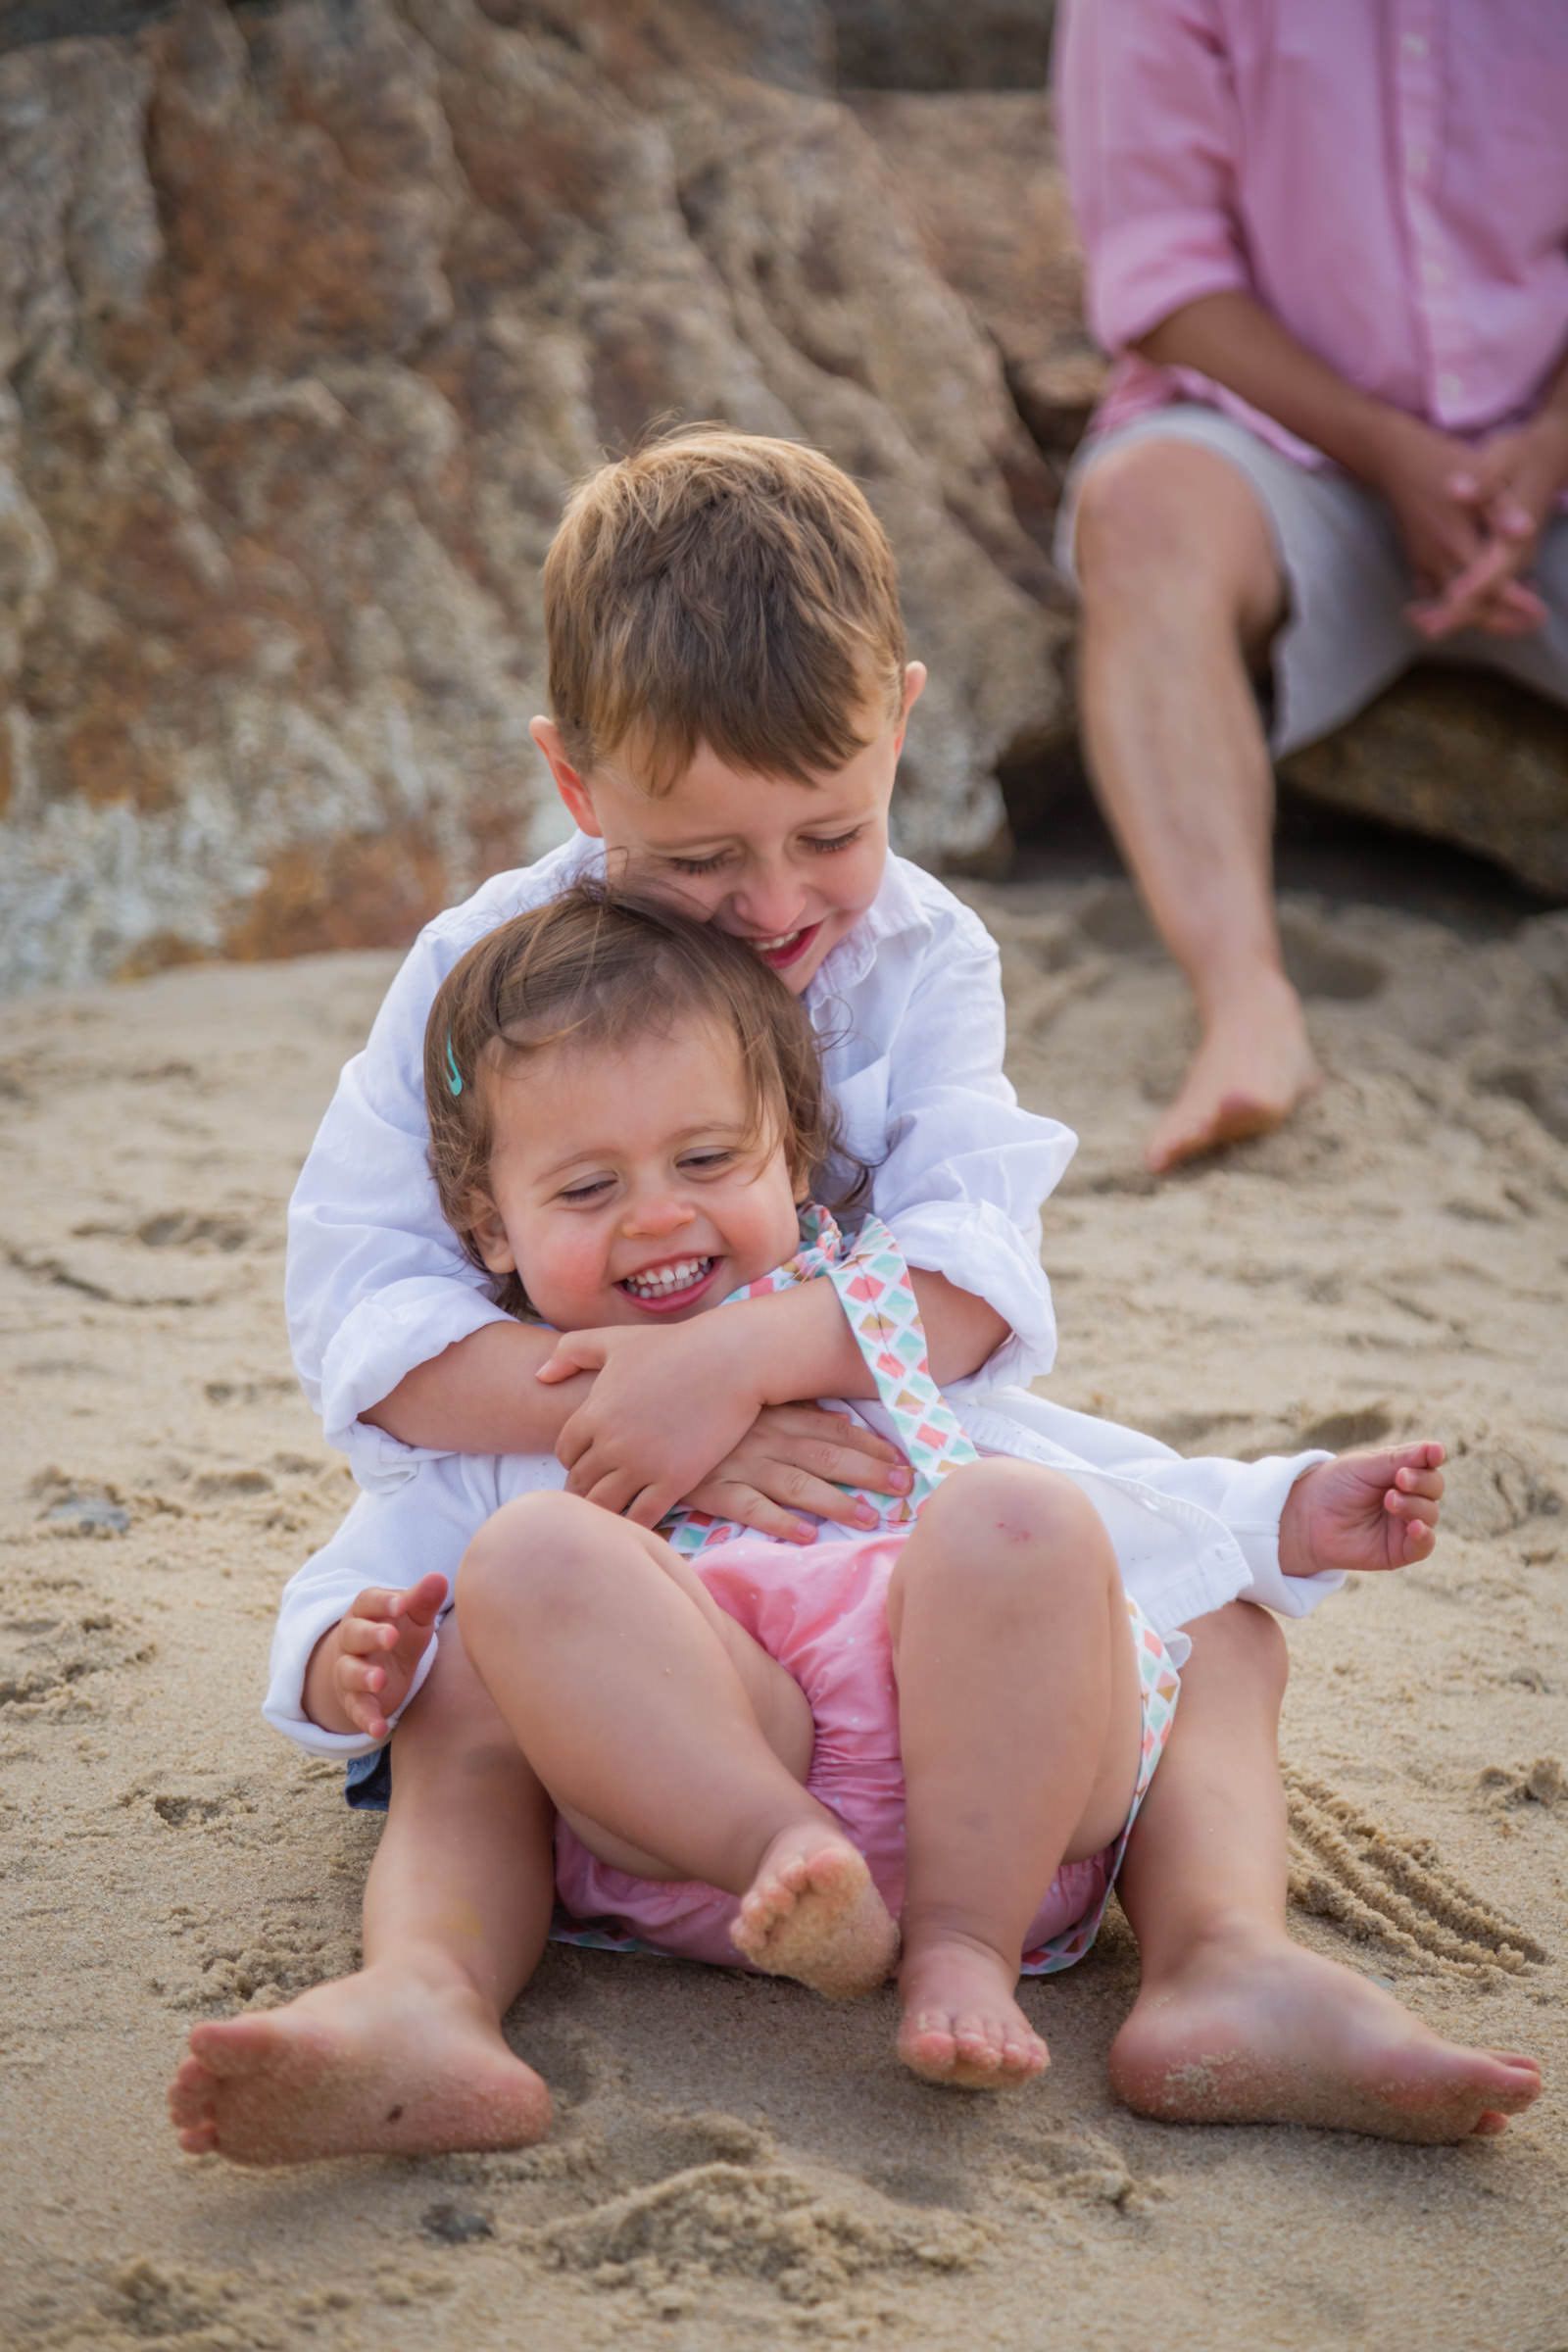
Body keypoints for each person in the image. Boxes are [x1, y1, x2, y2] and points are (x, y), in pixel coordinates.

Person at [167, 890, 1540, 2164]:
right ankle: (429, 1993)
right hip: (697, 1813)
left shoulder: (868, 1334)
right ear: (492, 1230)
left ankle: (1205, 1962)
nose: (660, 1213)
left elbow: (1100, 1485)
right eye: (585, 1191)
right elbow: (363, 1582)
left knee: (1124, 1569)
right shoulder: (513, 1430)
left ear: (795, 1160)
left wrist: (1287, 1509)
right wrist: (340, 1662)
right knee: (495, 1603)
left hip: (997, 1807)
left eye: (708, 1157)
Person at [1054, 1, 1568, 1172]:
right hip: (1278, 442)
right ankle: (1244, 1007)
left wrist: (1542, 453)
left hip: (1544, 446)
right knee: (1139, 510)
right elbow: (1161, 277)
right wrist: (1391, 452)